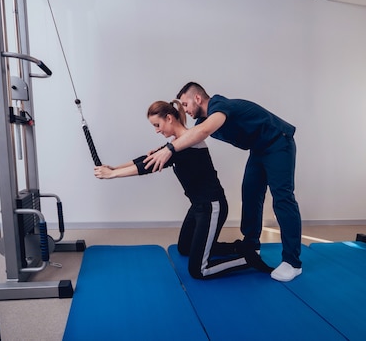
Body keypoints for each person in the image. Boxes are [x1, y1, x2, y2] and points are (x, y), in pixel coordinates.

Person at [94, 100, 272, 279]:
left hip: (212, 207)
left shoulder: (186, 143)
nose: (157, 130)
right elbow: (145, 159)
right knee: (184, 247)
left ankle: (248, 259)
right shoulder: (176, 144)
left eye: (157, 125)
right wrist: (114, 168)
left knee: (198, 271)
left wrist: (112, 175)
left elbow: (146, 168)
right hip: (198, 207)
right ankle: (237, 247)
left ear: (169, 118)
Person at [144, 82, 302, 282]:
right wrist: (161, 150)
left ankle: (292, 262)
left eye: (185, 105)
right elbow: (187, 139)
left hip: (279, 141)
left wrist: (169, 150)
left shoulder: (218, 106)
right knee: (250, 195)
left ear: (198, 99)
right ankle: (250, 246)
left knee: (282, 198)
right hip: (259, 149)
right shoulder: (201, 120)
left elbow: (201, 133)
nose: (184, 110)